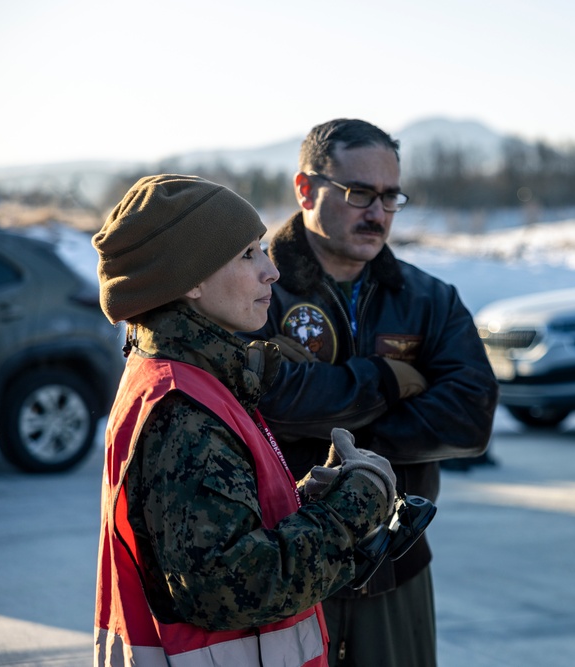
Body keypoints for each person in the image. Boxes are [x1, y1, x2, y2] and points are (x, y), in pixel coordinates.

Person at [92, 174, 397, 667]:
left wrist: (302, 505)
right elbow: (236, 584)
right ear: (188, 279)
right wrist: (352, 508)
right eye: (248, 254)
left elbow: (215, 535)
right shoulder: (181, 407)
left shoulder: (193, 378)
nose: (271, 272)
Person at [242, 118, 498, 667]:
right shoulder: (251, 286)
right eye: (359, 193)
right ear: (306, 189)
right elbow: (266, 400)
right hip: (281, 565)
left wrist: (340, 435)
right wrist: (386, 382)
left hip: (395, 565)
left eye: (390, 197)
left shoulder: (429, 299)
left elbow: (471, 419)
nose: (378, 214)